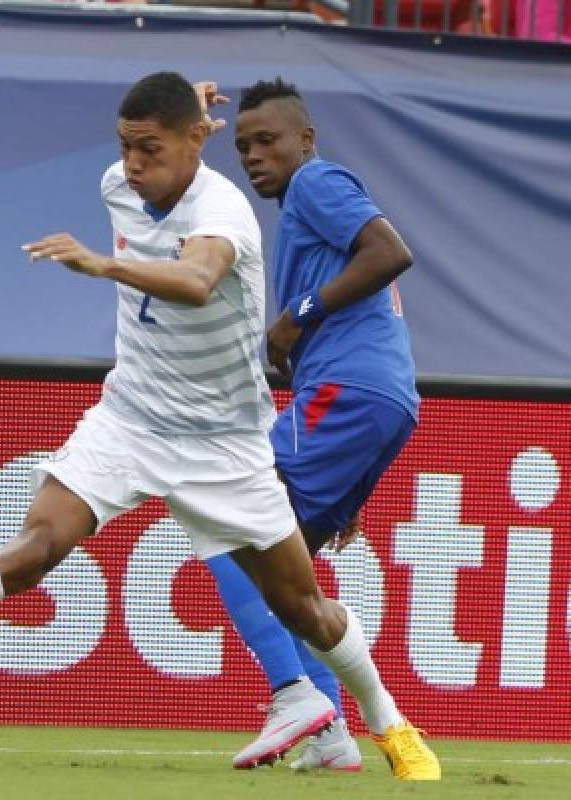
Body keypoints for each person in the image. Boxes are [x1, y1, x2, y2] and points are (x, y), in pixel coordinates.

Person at [0, 72, 439, 781]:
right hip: (129, 418)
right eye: (126, 147)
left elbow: (195, 281)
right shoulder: (117, 183)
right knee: (35, 545)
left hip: (223, 443)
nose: (133, 165)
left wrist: (107, 264)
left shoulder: (226, 211)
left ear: (194, 142)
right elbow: (158, 149)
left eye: (149, 149)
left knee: (304, 605)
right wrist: (181, 114)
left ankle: (391, 725)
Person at [191, 77, 423, 774]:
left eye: (268, 141)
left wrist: (298, 315)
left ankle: (299, 696)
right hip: (383, 397)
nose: (254, 155)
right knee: (289, 570)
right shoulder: (302, 206)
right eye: (243, 146)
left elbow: (389, 251)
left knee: (228, 523)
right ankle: (331, 738)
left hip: (350, 390)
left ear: (306, 140)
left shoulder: (317, 182)